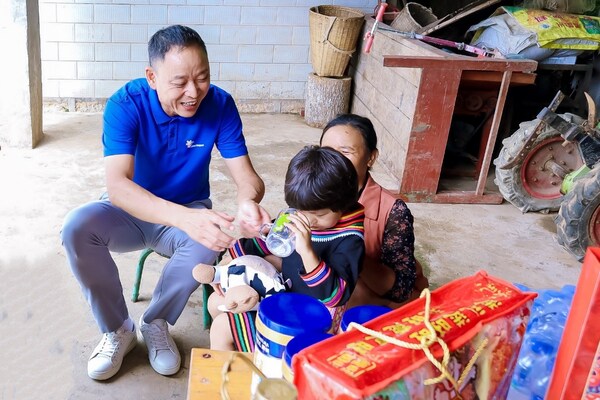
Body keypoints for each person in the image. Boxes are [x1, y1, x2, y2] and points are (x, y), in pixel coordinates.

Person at [60, 25, 270, 380]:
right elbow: (118, 187)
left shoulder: (218, 104)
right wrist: (186, 219)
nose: (194, 92)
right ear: (152, 77)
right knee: (77, 228)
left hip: (187, 210)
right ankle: (118, 330)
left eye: (202, 77)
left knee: (210, 236)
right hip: (128, 211)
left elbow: (248, 177)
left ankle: (156, 321)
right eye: (180, 82)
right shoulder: (125, 104)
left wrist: (248, 201)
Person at [209, 145, 366, 351]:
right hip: (282, 296)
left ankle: (240, 374)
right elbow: (267, 240)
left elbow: (335, 296)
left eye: (318, 215)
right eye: (301, 211)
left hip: (308, 323)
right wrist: (229, 260)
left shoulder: (350, 240)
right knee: (215, 302)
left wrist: (307, 251)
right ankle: (247, 357)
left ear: (344, 205)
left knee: (222, 328)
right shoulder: (302, 214)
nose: (308, 221)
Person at [320, 114, 429, 309]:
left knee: (350, 293)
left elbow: (401, 289)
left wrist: (352, 253)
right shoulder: (314, 191)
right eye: (327, 152)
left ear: (371, 157)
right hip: (329, 286)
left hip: (377, 298)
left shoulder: (393, 211)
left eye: (345, 152)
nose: (334, 161)